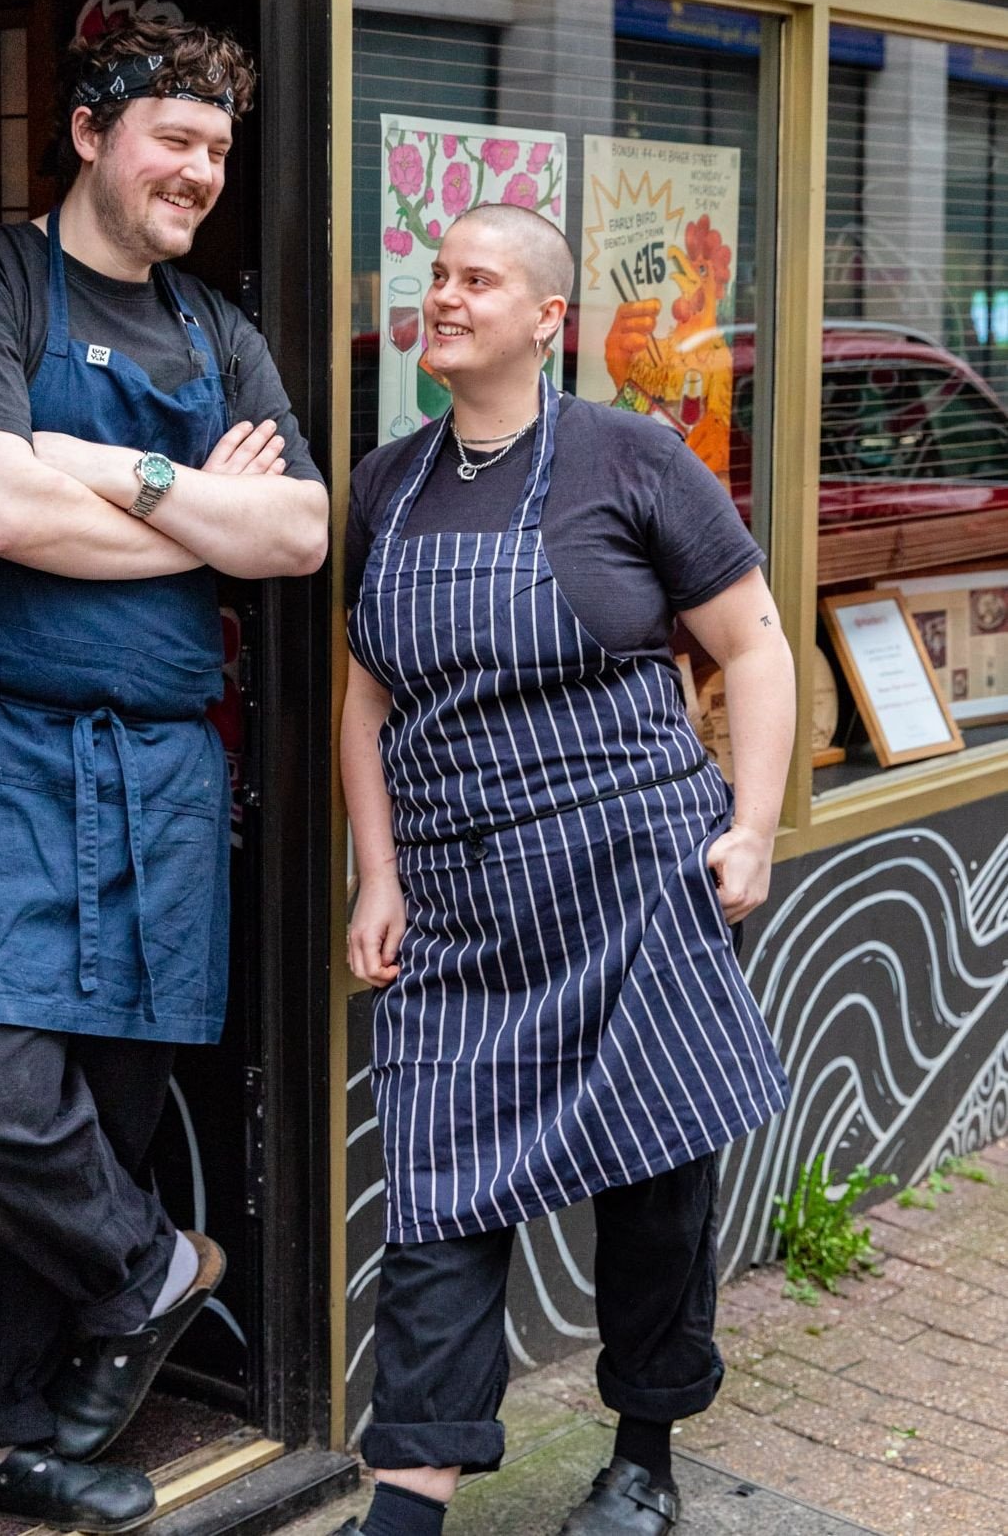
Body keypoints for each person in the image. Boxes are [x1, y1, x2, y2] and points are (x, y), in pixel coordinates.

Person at [0, 17, 328, 1532]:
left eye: (219, 149)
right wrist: (198, 524)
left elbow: (300, 535)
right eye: (175, 137)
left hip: (155, 779)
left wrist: (109, 469)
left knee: (99, 1113)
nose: (201, 171)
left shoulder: (220, 332)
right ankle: (150, 1265)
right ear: (93, 133)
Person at [341, 203, 792, 1536]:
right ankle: (406, 1507)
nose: (445, 296)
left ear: (548, 319)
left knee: (655, 1188)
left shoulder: (631, 456)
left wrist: (755, 825)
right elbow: (364, 703)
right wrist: (378, 872)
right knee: (437, 1192)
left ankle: (644, 1453)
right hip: (463, 900)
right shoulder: (387, 483)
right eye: (437, 275)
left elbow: (756, 644)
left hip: (633, 877)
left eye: (477, 279)